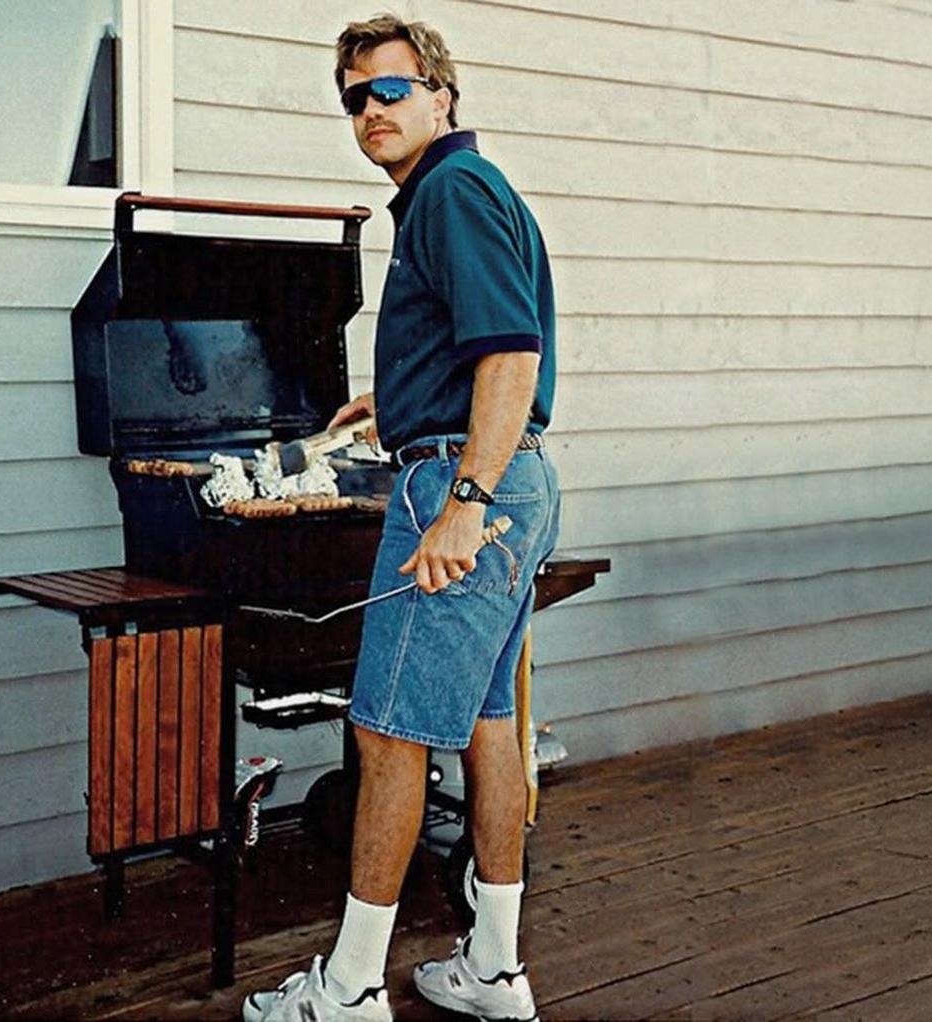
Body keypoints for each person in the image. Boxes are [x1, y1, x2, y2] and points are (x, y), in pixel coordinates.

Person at [244, 14, 559, 1022]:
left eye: (390, 89)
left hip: (466, 489)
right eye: (354, 98)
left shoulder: (453, 192)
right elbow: (479, 346)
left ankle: (347, 988)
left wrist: (461, 503)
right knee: (488, 723)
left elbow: (509, 354)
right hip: (513, 481)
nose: (370, 110)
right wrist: (403, 397)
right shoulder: (459, 191)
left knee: (385, 733)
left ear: (441, 96)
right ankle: (494, 969)